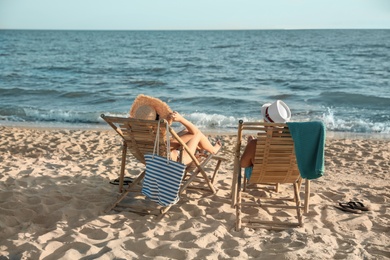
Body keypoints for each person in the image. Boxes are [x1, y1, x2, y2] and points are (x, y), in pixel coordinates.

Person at [129, 94, 221, 165]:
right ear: (159, 118)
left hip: (152, 158)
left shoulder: (140, 135)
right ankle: (213, 150)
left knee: (186, 131)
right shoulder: (158, 141)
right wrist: (181, 119)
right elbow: (195, 132)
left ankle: (200, 148)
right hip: (175, 161)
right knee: (197, 134)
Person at [240, 100, 291, 178]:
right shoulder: (294, 143)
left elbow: (243, 164)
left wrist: (250, 145)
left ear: (265, 122)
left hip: (258, 176)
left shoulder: (255, 144)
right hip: (284, 176)